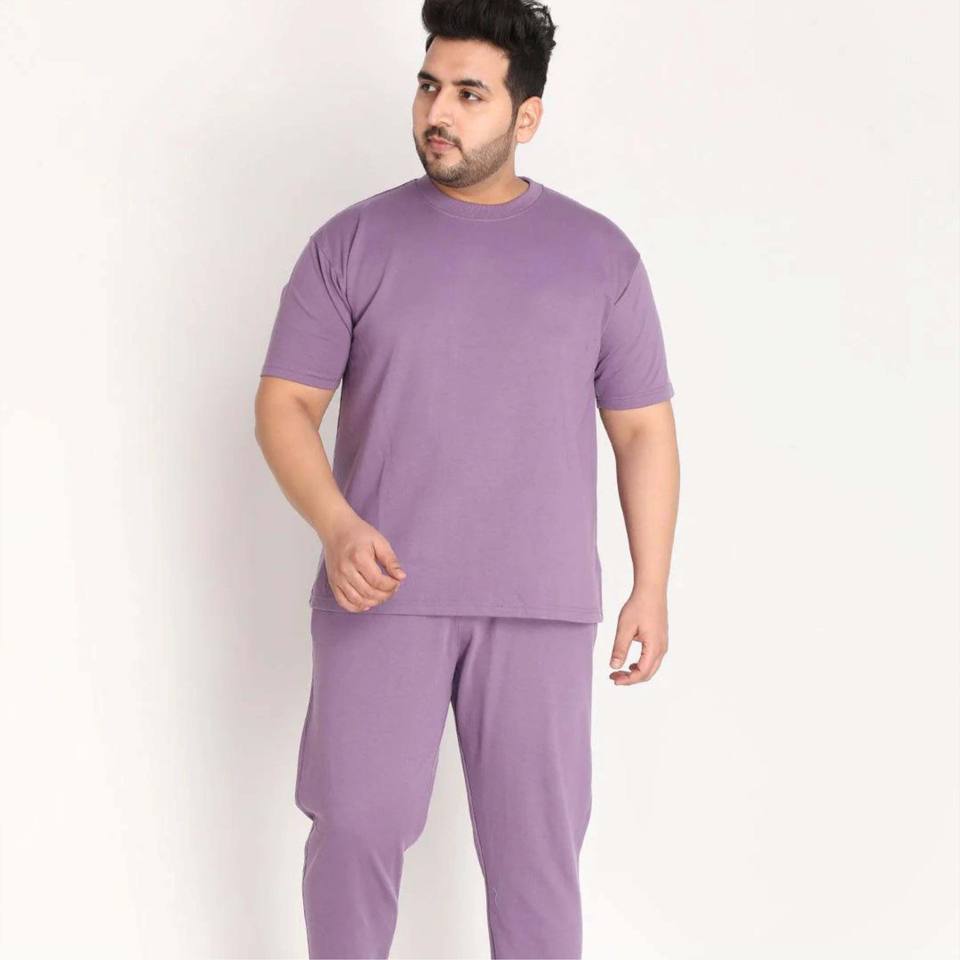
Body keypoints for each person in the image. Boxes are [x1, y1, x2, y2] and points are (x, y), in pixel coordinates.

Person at [254, 1, 680, 956]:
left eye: (469, 94)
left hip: (539, 605)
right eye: (428, 86)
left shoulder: (599, 257)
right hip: (380, 593)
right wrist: (336, 525)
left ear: (527, 116)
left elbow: (643, 429)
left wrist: (650, 584)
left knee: (536, 865)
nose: (437, 112)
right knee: (353, 834)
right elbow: (284, 404)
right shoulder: (352, 243)